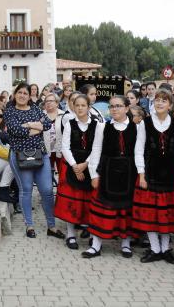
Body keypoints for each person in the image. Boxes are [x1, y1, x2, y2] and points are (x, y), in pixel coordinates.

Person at [4, 83, 63, 239]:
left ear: (30, 96)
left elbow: (47, 124)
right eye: (20, 92)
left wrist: (27, 125)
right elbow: (15, 130)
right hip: (19, 156)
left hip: (40, 154)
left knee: (47, 191)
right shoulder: (9, 111)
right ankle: (29, 225)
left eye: (26, 93)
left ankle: (52, 226)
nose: (22, 95)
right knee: (26, 190)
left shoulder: (36, 109)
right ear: (15, 94)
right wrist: (35, 127)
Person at [85, 95, 138, 259]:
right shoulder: (102, 127)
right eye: (112, 106)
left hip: (129, 172)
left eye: (118, 106)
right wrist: (94, 174)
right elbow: (95, 151)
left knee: (125, 209)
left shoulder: (137, 127)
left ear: (127, 108)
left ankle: (126, 244)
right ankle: (96, 245)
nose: (114, 109)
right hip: (107, 171)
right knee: (102, 208)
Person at [132, 88, 174, 264]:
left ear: (170, 105)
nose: (159, 103)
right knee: (149, 214)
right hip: (150, 173)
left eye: (164, 100)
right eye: (157, 100)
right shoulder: (145, 123)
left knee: (166, 214)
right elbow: (138, 150)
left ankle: (166, 248)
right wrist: (141, 174)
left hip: (170, 175)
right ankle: (154, 248)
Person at [54, 93, 104, 251]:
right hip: (72, 165)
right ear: (73, 107)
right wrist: (75, 166)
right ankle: (70, 234)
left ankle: (90, 234)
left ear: (89, 107)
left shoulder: (98, 125)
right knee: (72, 202)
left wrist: (85, 164)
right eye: (77, 105)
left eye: (83, 105)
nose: (80, 108)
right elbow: (65, 147)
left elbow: (97, 147)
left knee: (89, 202)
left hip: (90, 165)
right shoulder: (69, 123)